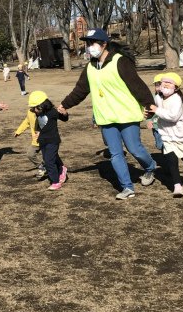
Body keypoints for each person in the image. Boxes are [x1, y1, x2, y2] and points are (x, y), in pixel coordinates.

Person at [58, 28, 157, 200]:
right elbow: (80, 91)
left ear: (104, 44)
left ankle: (150, 167)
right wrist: (64, 105)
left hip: (127, 115)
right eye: (87, 44)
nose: (89, 47)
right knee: (115, 154)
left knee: (134, 148)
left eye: (93, 43)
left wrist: (150, 106)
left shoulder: (121, 61)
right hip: (105, 118)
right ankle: (127, 187)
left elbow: (138, 86)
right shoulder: (89, 67)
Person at [148, 73, 183, 198]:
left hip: (180, 134)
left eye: (169, 84)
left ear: (176, 88)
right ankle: (177, 186)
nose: (164, 86)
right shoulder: (158, 98)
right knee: (172, 160)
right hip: (166, 135)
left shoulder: (176, 99)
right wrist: (148, 114)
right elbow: (152, 108)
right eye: (163, 83)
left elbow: (173, 116)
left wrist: (156, 110)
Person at [29, 91, 68, 190]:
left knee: (48, 161)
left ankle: (55, 182)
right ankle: (62, 169)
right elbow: (41, 124)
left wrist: (65, 113)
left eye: (34, 107)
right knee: (52, 158)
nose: (33, 109)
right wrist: (38, 131)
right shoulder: (38, 113)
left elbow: (64, 118)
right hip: (42, 141)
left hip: (53, 140)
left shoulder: (52, 112)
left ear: (41, 105)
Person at [14, 108, 46, 178]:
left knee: (50, 157)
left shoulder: (44, 111)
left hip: (46, 139)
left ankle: (59, 170)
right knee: (30, 154)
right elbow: (27, 121)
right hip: (36, 140)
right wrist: (18, 131)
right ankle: (42, 165)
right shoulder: (30, 112)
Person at [146, 73, 165, 152]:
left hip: (166, 127)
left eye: (161, 86)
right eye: (157, 86)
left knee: (166, 145)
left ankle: (167, 156)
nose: (159, 88)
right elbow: (148, 111)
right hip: (156, 126)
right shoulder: (153, 98)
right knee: (159, 145)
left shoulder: (170, 98)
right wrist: (148, 120)